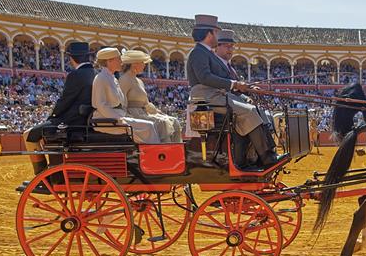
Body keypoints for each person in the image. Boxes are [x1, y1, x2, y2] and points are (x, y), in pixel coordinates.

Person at [186, 15, 279, 169]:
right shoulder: (198, 52)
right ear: (210, 33)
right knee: (248, 112)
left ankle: (257, 155)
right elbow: (204, 77)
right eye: (216, 32)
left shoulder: (206, 52)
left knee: (253, 109)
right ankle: (266, 156)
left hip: (217, 95)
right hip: (207, 97)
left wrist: (240, 87)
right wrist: (235, 84)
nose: (217, 36)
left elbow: (220, 78)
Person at [22, 41, 96, 177]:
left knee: (28, 135)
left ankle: (41, 176)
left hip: (72, 122)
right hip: (85, 121)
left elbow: (64, 101)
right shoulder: (95, 74)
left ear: (71, 58)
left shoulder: (75, 75)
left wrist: (52, 117)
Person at [91, 47, 160, 144]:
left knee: (150, 125)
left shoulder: (113, 78)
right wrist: (118, 119)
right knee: (148, 126)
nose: (122, 62)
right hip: (106, 120)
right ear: (109, 61)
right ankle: (154, 154)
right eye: (118, 59)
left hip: (117, 118)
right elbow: (101, 105)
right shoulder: (100, 78)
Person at [119, 50, 182, 142]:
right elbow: (122, 102)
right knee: (163, 123)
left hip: (144, 112)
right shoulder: (124, 79)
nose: (144, 65)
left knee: (174, 121)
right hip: (133, 114)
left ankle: (176, 151)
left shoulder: (139, 81)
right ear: (134, 64)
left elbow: (146, 103)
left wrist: (158, 112)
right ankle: (163, 150)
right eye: (142, 62)